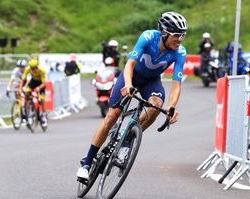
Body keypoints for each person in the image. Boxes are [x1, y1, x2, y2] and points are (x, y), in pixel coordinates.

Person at [77, 11, 187, 180]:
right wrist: (128, 85)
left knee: (156, 105)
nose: (180, 40)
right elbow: (130, 64)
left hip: (151, 81)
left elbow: (176, 83)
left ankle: (126, 143)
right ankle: (87, 162)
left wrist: (172, 106)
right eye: (177, 35)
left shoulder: (180, 52)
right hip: (131, 76)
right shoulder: (148, 37)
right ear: (164, 33)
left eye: (183, 35)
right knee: (112, 115)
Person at [19, 58, 47, 127]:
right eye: (33, 68)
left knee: (42, 100)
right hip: (33, 82)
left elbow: (44, 83)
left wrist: (39, 88)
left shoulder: (42, 71)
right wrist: (20, 89)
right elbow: (23, 80)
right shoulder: (28, 69)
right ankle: (30, 110)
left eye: (36, 68)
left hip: (41, 84)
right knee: (27, 93)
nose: (35, 70)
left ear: (37, 66)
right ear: (30, 67)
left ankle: (43, 116)